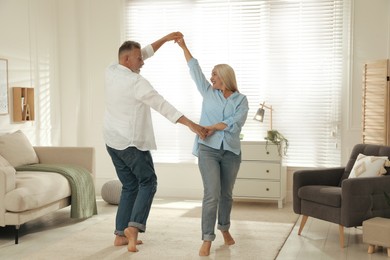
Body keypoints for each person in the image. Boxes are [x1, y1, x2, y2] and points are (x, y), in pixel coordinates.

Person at [103, 32, 207, 253]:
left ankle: (120, 235)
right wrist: (191, 125)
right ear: (127, 60)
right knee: (148, 182)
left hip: (112, 142)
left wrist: (167, 38)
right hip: (131, 144)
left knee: (130, 186)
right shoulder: (136, 82)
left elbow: (146, 51)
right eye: (138, 59)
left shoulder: (111, 70)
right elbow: (162, 105)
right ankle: (134, 227)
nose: (142, 62)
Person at [176, 37, 249, 256]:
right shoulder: (208, 92)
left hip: (231, 153)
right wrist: (183, 46)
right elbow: (194, 69)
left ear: (225, 77)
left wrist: (215, 126)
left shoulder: (241, 100)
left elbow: (237, 124)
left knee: (226, 194)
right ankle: (207, 237)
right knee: (212, 194)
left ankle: (224, 228)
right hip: (207, 149)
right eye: (212, 75)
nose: (211, 78)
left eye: (215, 75)